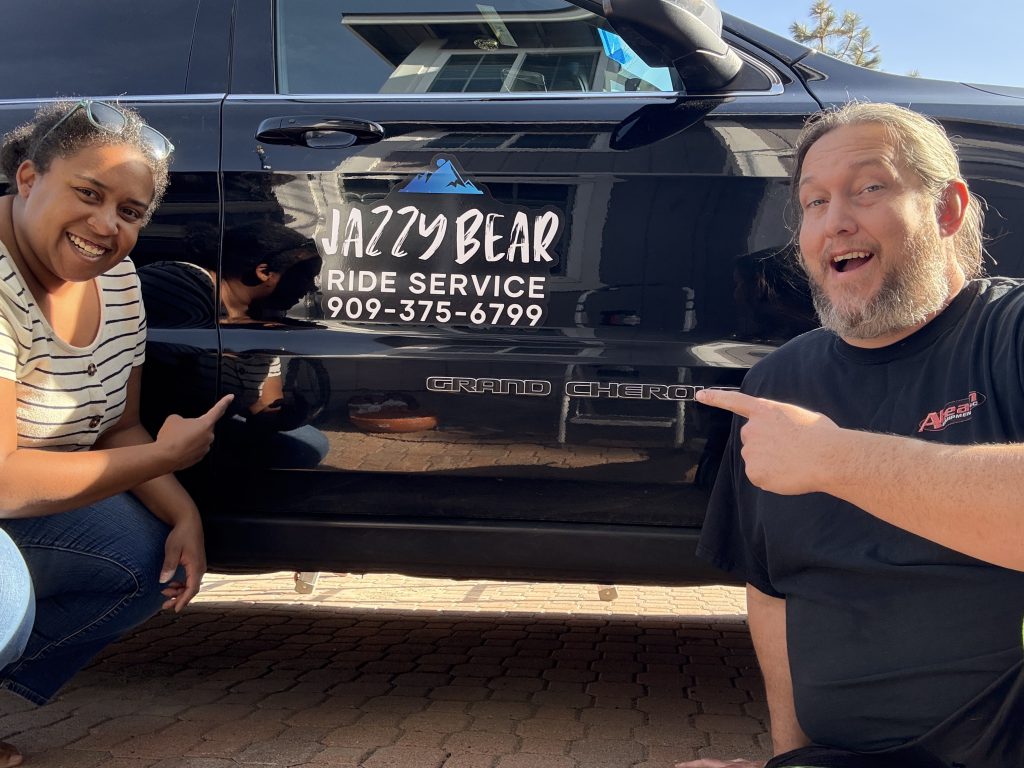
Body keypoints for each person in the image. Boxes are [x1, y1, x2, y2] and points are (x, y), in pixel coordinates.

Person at [677, 102, 1024, 768]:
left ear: (948, 210)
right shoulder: (781, 381)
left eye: (870, 188)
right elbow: (771, 588)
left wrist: (835, 460)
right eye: (813, 202)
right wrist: (788, 757)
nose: (835, 221)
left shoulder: (1008, 334)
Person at [0, 100, 232, 767]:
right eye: (88, 194)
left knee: (146, 561)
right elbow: (5, 479)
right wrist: (167, 454)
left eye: (129, 212)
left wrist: (182, 510)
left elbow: (118, 426)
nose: (105, 226)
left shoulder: (118, 280)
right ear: (27, 178)